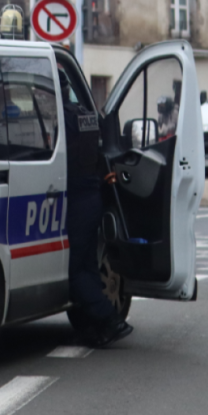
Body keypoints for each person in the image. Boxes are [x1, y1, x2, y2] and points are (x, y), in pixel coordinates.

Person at [60, 69, 133, 348]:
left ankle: (109, 320)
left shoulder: (62, 119)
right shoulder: (86, 116)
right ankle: (94, 328)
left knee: (75, 270)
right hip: (92, 195)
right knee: (88, 265)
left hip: (76, 198)